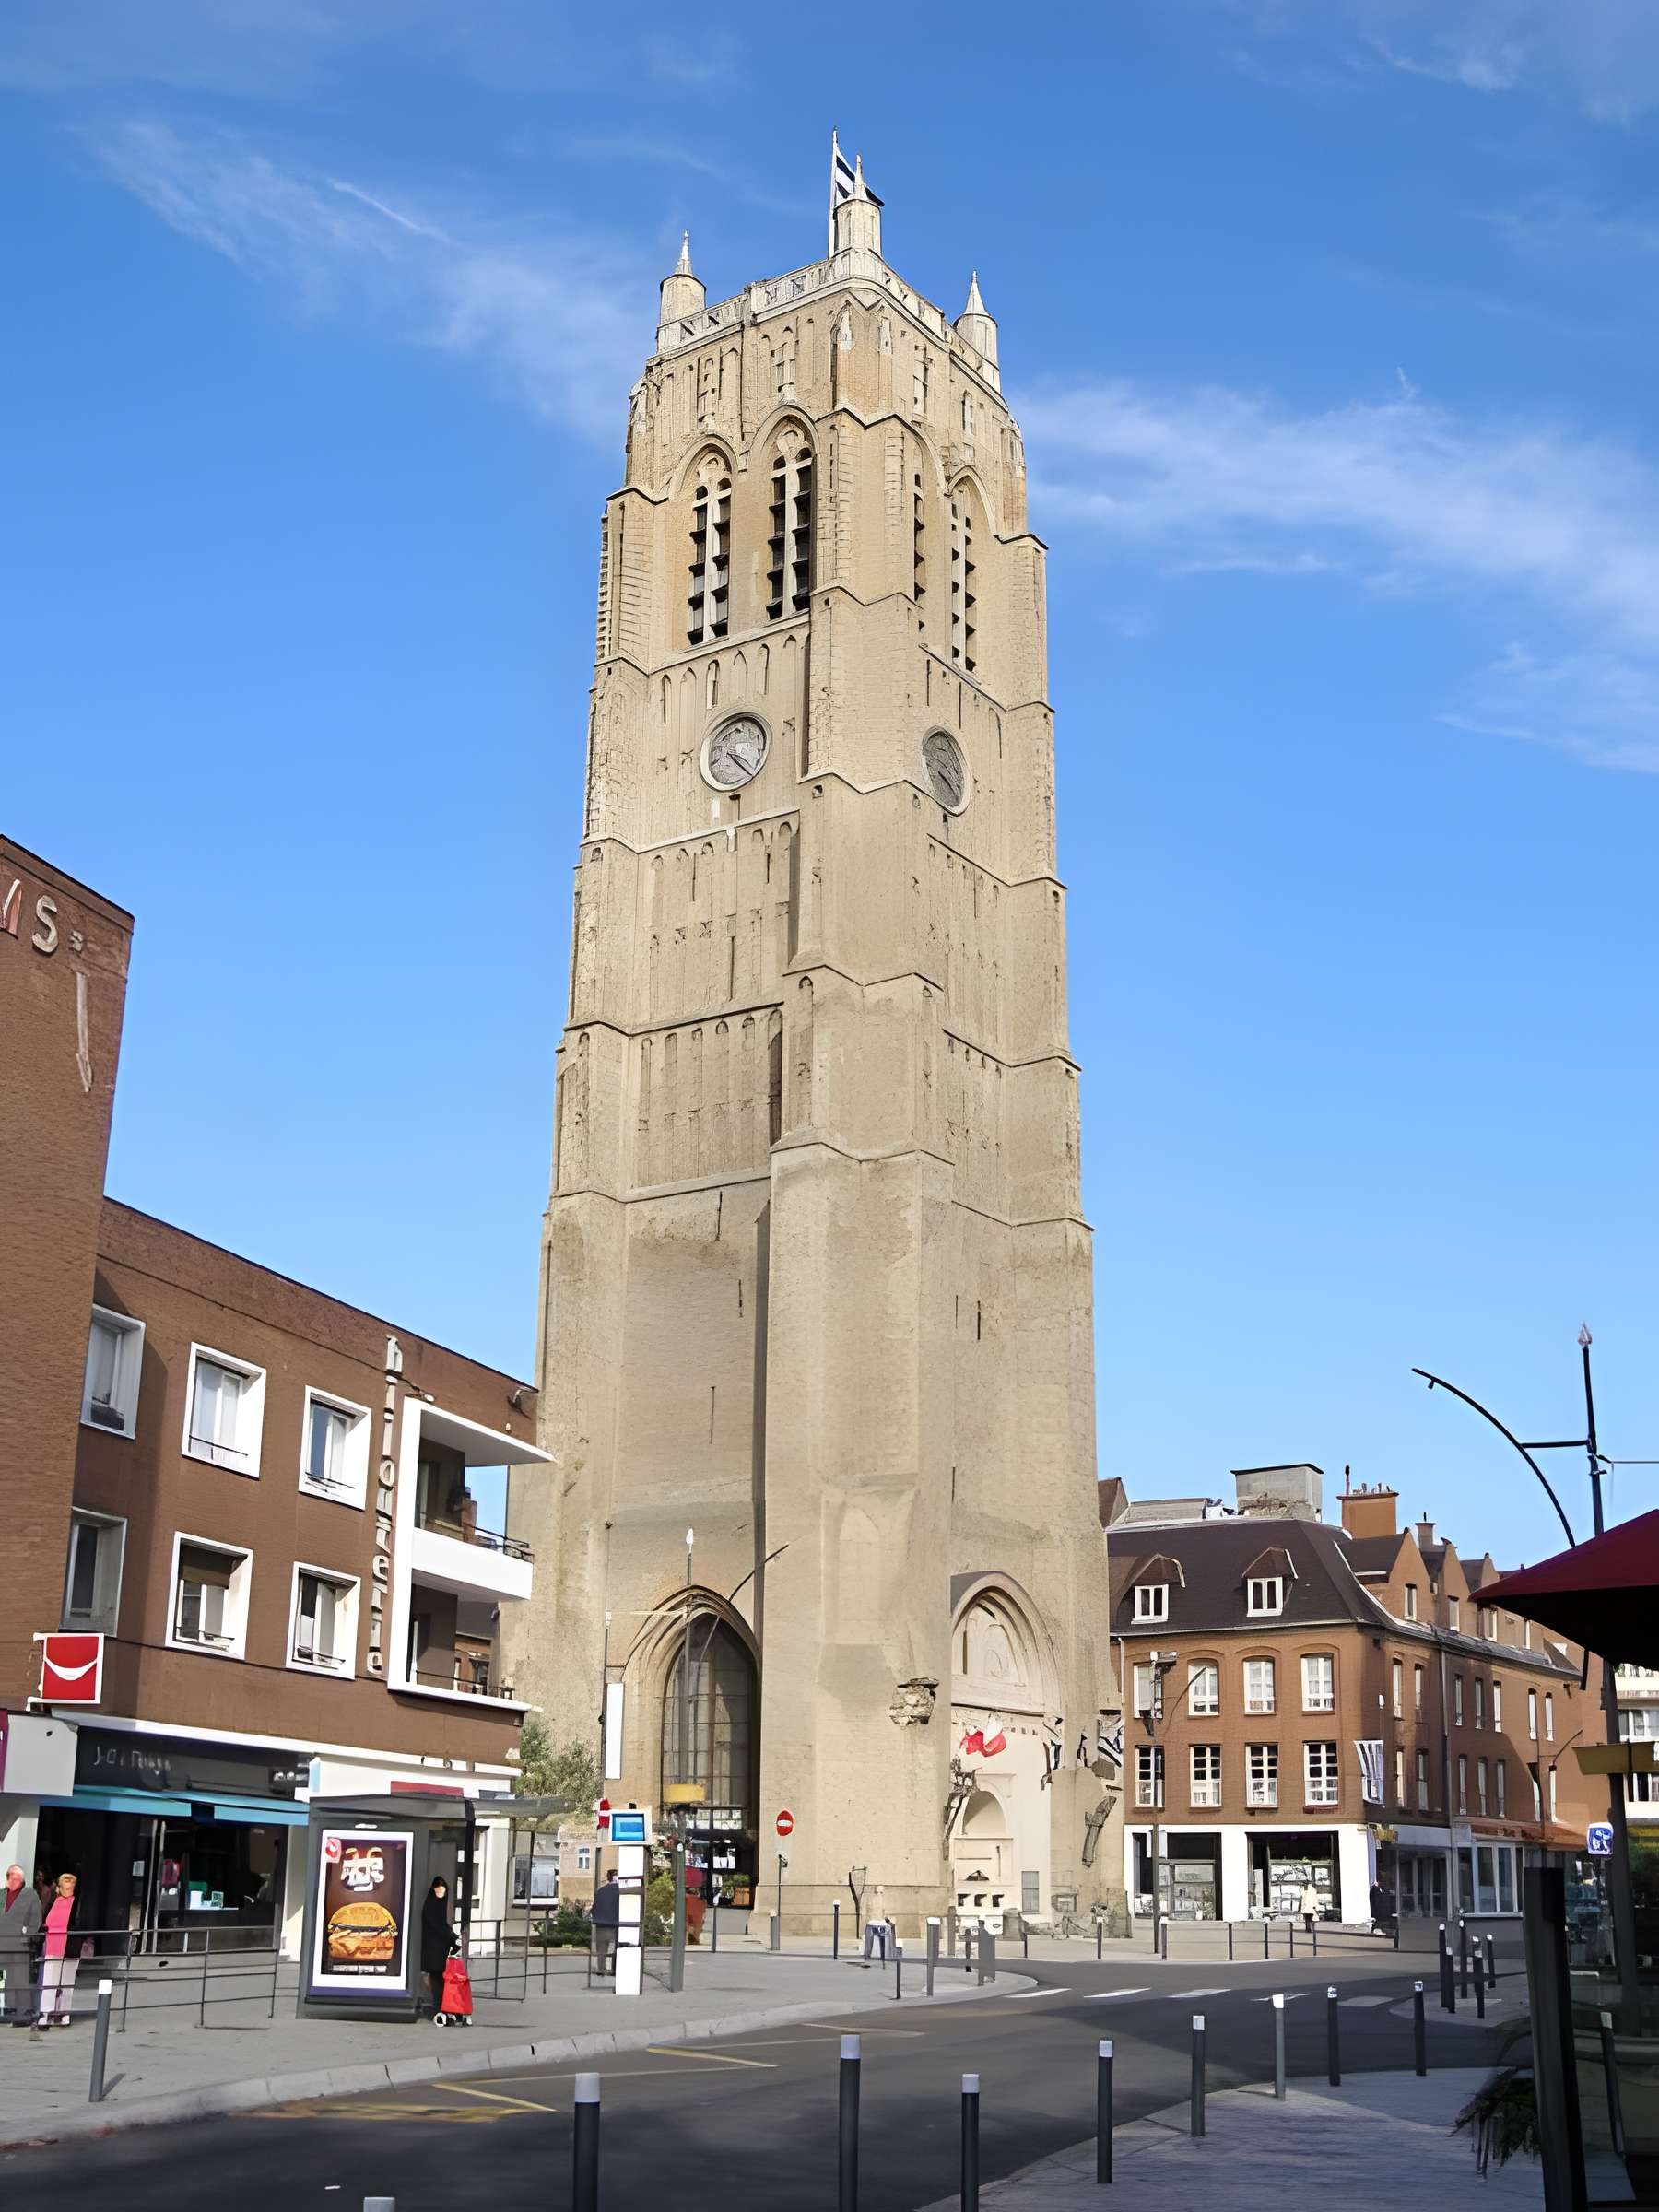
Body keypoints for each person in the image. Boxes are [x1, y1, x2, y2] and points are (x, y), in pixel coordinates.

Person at [35, 1873, 79, 2031]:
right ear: (59, 1888)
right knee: (49, 1982)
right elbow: (44, 1921)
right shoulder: (53, 1901)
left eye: (71, 1888)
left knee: (67, 1982)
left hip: (70, 1947)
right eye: (65, 1888)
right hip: (52, 1946)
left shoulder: (76, 1903)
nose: (68, 1891)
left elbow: (80, 1924)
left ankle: (64, 2013)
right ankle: (45, 2014)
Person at [0, 1866, 42, 2027]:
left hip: (21, 1944)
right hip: (2, 1943)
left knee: (21, 1979)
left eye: (18, 1878)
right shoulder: (2, 1894)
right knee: (5, 1979)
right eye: (12, 1877)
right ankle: (9, 2010)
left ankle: (24, 2014)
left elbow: (36, 1917)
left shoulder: (30, 1895)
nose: (14, 1880)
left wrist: (28, 1934)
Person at [420, 1877, 458, 2018]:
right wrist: (452, 1938)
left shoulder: (438, 1905)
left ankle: (442, 2006)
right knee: (437, 1979)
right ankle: (439, 2007)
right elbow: (438, 1926)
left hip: (439, 1949)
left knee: (439, 1979)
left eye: (443, 1890)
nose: (441, 1892)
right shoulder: (431, 1906)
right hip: (433, 1949)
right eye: (438, 1889)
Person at [590, 1871, 621, 1976]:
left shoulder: (600, 1891)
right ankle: (615, 1970)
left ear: (608, 1878)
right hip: (618, 1925)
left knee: (602, 1949)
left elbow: (594, 1908)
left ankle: (601, 1969)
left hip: (601, 1924)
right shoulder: (622, 1892)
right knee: (618, 1949)